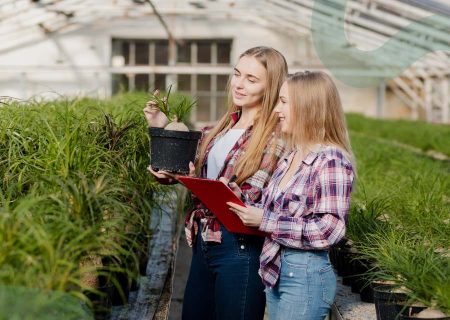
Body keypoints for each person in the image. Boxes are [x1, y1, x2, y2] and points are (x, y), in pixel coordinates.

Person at [143, 46, 288, 320]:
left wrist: (211, 187)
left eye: (251, 79)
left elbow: (250, 197)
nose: (239, 84)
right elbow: (193, 172)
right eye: (237, 74)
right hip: (203, 242)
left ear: (271, 88)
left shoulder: (273, 137)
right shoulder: (217, 129)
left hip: (240, 249)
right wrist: (167, 152)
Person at [227, 71, 355, 320]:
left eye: (284, 102)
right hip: (279, 270)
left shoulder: (330, 160)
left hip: (305, 275)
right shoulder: (291, 156)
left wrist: (266, 221)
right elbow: (275, 211)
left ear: (308, 107)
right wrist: (241, 201)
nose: (276, 109)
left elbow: (331, 230)